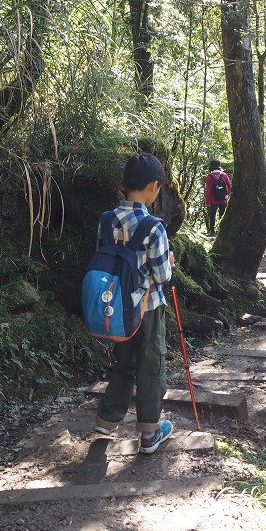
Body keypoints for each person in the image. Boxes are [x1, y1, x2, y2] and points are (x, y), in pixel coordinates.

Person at [92, 153, 175, 454]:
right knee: (151, 366)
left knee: (123, 363)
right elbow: (162, 274)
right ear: (154, 186)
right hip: (148, 309)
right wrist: (169, 263)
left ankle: (107, 420)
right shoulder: (154, 226)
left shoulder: (106, 220)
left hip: (115, 309)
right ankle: (151, 433)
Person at [204, 159, 231, 236]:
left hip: (213, 200)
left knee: (212, 215)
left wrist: (208, 202)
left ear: (211, 168)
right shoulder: (224, 175)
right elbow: (229, 186)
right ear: (219, 167)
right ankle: (222, 231)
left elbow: (208, 190)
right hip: (223, 200)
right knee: (222, 215)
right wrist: (227, 196)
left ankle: (212, 231)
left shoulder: (209, 177)